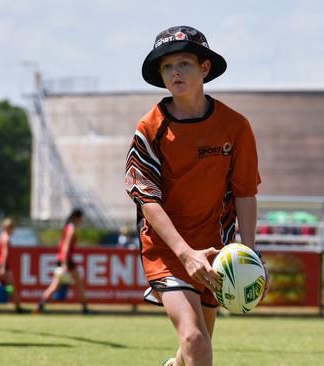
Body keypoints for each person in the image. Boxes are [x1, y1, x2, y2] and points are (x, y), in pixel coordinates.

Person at [125, 26, 268, 366]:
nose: (175, 72)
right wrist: (185, 253)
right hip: (168, 250)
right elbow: (146, 198)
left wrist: (249, 252)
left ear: (204, 68)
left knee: (194, 348)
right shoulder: (149, 128)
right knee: (193, 337)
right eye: (167, 66)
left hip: (216, 251)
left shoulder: (236, 126)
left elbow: (246, 192)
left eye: (185, 63)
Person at [35, 208, 89, 314]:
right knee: (75, 284)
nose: (82, 220)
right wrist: (64, 264)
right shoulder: (71, 229)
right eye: (81, 218)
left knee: (58, 285)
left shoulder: (68, 227)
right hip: (67, 260)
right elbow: (65, 248)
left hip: (64, 259)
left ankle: (40, 305)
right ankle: (85, 309)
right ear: (76, 218)